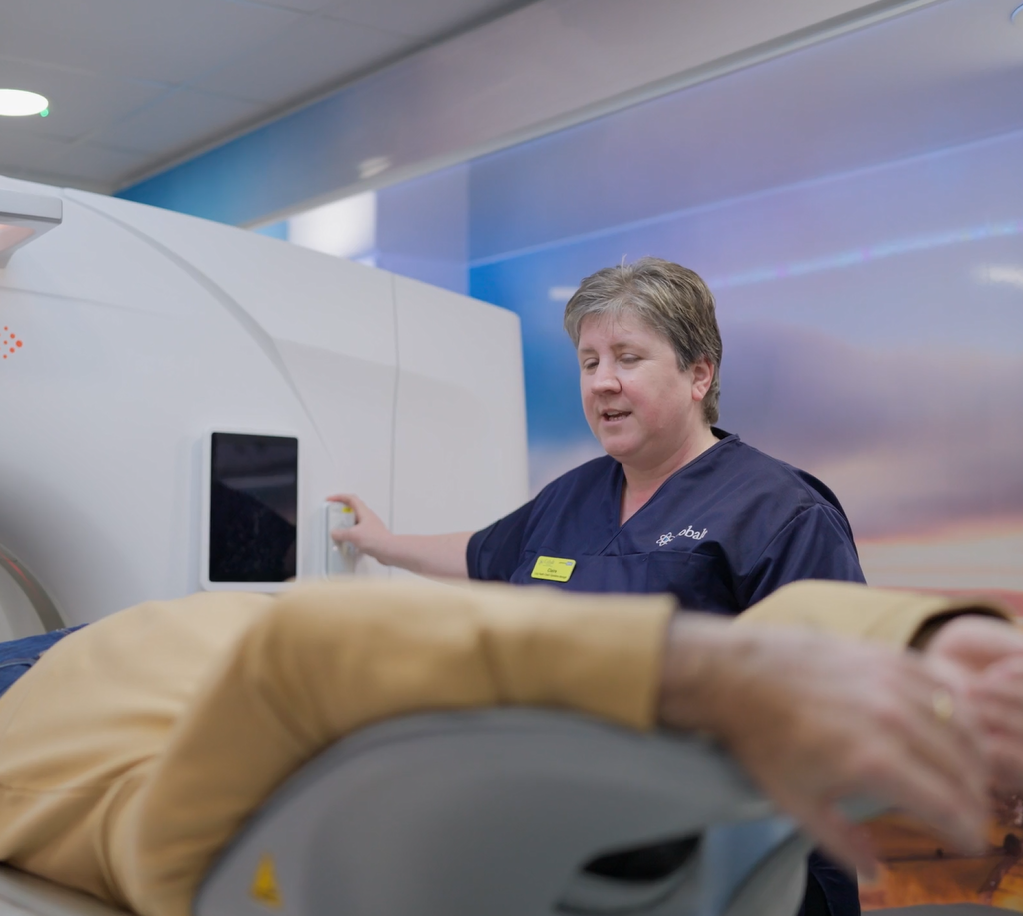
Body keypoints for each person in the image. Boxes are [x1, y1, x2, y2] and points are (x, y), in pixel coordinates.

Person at [0, 578, 1023, 916]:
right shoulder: (648, 808)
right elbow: (790, 646)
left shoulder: (204, 864)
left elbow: (302, 652)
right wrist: (933, 638)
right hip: (164, 633)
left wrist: (699, 660)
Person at [330, 257, 864, 911]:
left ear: (699, 373)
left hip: (736, 871)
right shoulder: (570, 498)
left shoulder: (780, 511)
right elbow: (484, 554)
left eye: (627, 357)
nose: (602, 382)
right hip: (581, 857)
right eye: (589, 362)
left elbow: (837, 703)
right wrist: (380, 543)